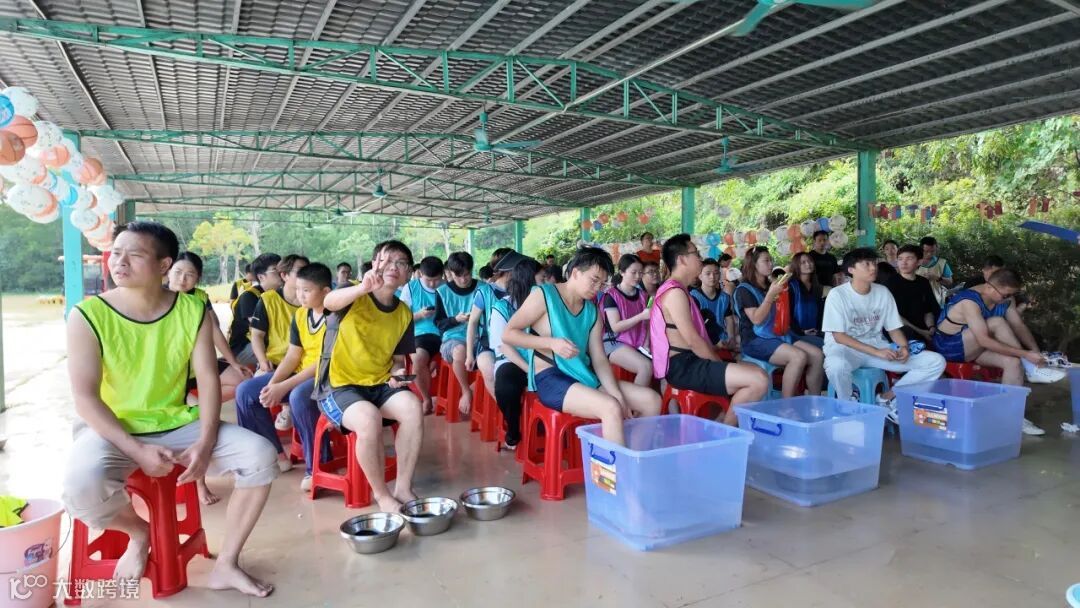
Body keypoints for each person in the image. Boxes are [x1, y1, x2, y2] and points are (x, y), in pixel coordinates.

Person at [63, 222, 277, 597]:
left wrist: (206, 443)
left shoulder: (191, 310)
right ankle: (139, 532)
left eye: (134, 254)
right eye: (116, 253)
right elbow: (86, 399)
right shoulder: (88, 315)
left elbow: (207, 380)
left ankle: (227, 564)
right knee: (82, 484)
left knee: (260, 455)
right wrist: (136, 450)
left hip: (176, 423)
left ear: (164, 265)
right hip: (113, 429)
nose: (119, 262)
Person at [504, 247, 661, 447]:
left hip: (584, 375)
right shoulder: (544, 295)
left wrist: (617, 394)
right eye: (594, 280)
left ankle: (633, 457)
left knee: (651, 400)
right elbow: (509, 334)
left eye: (602, 283)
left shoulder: (592, 311)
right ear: (576, 272)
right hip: (551, 377)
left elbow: (599, 359)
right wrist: (551, 343)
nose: (597, 288)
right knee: (610, 407)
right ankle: (617, 466)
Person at [316, 240, 423, 513]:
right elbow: (328, 302)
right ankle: (382, 495)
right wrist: (362, 288)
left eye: (401, 263)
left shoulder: (403, 313)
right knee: (369, 419)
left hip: (379, 383)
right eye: (387, 260)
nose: (394, 267)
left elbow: (397, 360)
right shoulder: (354, 294)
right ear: (374, 263)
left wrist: (398, 374)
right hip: (339, 385)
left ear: (409, 273)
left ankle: (403, 487)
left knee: (413, 407)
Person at [932, 268, 1065, 435]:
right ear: (989, 287)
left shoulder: (1005, 298)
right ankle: (1030, 366)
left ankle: (1012, 417)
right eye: (1006, 295)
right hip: (950, 346)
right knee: (997, 322)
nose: (1008, 299)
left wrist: (1035, 353)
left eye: (1012, 295)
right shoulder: (970, 301)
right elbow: (983, 340)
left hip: (975, 346)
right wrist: (1025, 354)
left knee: (1013, 362)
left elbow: (1018, 325)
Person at [652, 235, 768, 424]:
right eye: (696, 253)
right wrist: (718, 364)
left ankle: (720, 425)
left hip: (690, 361)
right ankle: (726, 435)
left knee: (755, 372)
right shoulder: (674, 293)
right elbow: (693, 341)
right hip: (684, 367)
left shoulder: (679, 289)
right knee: (758, 380)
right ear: (681, 259)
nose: (700, 258)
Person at [167, 252, 253, 505]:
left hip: (200, 365)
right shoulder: (159, 297)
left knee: (241, 381)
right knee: (201, 424)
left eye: (190, 274)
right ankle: (200, 484)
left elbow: (214, 330)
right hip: (174, 373)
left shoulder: (200, 298)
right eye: (178, 272)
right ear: (167, 271)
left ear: (198, 278)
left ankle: (203, 403)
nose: (182, 279)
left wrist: (234, 362)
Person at [822, 248, 946, 421]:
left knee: (935, 362)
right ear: (851, 270)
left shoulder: (882, 292)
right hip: (845, 349)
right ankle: (847, 404)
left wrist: (903, 347)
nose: (873, 267)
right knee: (836, 366)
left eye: (874, 263)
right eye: (866, 264)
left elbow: (893, 328)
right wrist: (877, 352)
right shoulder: (838, 295)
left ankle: (887, 399)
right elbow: (839, 336)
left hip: (877, 346)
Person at [251, 263, 334, 491]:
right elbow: (293, 355)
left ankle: (317, 466)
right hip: (302, 373)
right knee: (247, 393)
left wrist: (283, 386)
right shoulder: (300, 314)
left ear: (325, 292)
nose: (300, 295)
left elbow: (324, 362)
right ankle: (275, 455)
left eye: (306, 290)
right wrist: (273, 383)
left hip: (328, 376)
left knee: (299, 396)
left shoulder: (335, 317)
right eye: (298, 289)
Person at [735, 248, 825, 399]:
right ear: (754, 264)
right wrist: (770, 296)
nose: (771, 264)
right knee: (798, 357)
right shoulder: (744, 290)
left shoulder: (771, 284)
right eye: (766, 261)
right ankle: (786, 405)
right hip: (755, 340)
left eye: (771, 260)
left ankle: (815, 401)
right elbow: (757, 319)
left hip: (778, 335)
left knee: (817, 355)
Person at [247, 254, 309, 434]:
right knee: (251, 393)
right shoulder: (268, 299)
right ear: (284, 275)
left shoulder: (312, 300)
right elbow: (257, 335)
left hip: (305, 364)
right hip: (275, 362)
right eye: (300, 271)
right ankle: (267, 440)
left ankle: (289, 408)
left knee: (301, 395)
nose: (305, 275)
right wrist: (262, 360)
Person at [487, 253, 542, 450]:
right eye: (542, 279)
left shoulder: (546, 304)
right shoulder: (502, 307)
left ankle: (542, 427)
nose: (546, 284)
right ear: (529, 282)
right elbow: (504, 346)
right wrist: (528, 369)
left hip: (542, 358)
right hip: (513, 360)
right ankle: (513, 426)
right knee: (506, 386)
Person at [435, 251, 481, 416]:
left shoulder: (483, 288)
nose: (463, 280)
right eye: (458, 276)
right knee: (460, 351)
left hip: (479, 337)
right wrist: (455, 319)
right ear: (450, 273)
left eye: (467, 274)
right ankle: (466, 391)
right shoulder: (442, 292)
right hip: (453, 339)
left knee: (491, 356)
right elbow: (439, 324)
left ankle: (474, 389)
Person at [398, 256, 444, 414]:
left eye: (436, 280)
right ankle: (426, 398)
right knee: (418, 359)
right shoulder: (411, 288)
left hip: (445, 333)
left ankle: (454, 395)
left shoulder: (448, 288)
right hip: (420, 333)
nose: (432, 284)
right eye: (428, 280)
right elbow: (400, 319)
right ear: (420, 274)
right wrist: (419, 315)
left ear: (443, 275)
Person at [466, 251, 512, 405]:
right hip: (487, 345)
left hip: (514, 344)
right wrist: (469, 355)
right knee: (489, 370)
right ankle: (504, 409)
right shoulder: (485, 292)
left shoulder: (520, 289)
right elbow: (472, 322)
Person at [602, 254, 653, 386]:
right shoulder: (611, 296)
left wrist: (646, 343)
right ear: (622, 272)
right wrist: (641, 316)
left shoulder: (643, 295)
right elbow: (616, 327)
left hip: (638, 340)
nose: (638, 276)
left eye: (640, 273)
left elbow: (646, 323)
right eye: (633, 272)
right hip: (614, 341)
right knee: (646, 367)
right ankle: (637, 399)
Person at [228, 253, 282, 366]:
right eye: (275, 270)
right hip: (245, 348)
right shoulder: (249, 297)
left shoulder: (280, 295)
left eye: (282, 268)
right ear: (261, 277)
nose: (282, 273)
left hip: (271, 342)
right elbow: (259, 332)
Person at [885, 244, 940, 342]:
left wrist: (931, 327)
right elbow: (892, 315)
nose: (904, 263)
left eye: (909, 258)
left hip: (924, 329)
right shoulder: (890, 283)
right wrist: (921, 332)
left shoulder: (923, 282)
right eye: (900, 259)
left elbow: (928, 310)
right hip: (900, 332)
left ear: (919, 262)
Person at [691, 258, 737, 351]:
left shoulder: (724, 297)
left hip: (722, 338)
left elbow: (729, 319)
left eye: (716, 273)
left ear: (719, 275)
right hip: (703, 341)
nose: (712, 277)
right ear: (700, 276)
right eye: (708, 273)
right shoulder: (694, 297)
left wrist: (731, 338)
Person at [787, 251, 829, 348]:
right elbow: (788, 313)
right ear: (796, 266)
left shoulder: (816, 286)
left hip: (815, 331)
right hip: (796, 332)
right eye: (803, 262)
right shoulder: (791, 286)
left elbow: (820, 312)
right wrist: (801, 331)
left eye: (810, 261)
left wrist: (819, 331)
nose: (808, 264)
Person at [916, 235, 954, 304]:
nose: (929, 254)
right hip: (917, 300)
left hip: (937, 301)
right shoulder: (914, 262)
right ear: (921, 249)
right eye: (926, 251)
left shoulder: (942, 263)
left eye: (932, 251)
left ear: (936, 248)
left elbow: (950, 282)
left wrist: (937, 278)